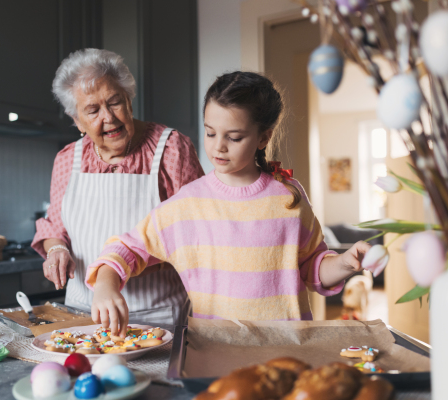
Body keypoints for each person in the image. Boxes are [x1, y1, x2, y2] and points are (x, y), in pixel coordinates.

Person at [85, 71, 372, 336]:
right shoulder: (188, 205)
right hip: (217, 350)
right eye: (210, 133)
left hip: (289, 347)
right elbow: (126, 248)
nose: (218, 146)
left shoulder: (289, 196)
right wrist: (106, 285)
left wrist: (346, 263)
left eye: (234, 137)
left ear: (264, 137)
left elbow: (312, 266)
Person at [31, 49, 204, 326]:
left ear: (129, 100)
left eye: (114, 102)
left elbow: (193, 234)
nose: (108, 118)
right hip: (81, 315)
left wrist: (110, 275)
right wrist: (56, 251)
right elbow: (55, 227)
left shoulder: (171, 148)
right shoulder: (67, 159)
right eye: (92, 110)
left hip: (157, 316)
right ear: (76, 120)